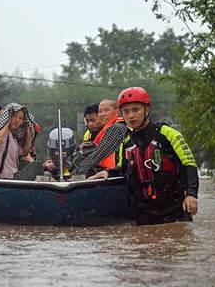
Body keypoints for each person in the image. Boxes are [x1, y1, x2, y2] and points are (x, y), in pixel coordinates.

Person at [96, 87, 199, 225]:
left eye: (136, 110)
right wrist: (107, 173)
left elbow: (189, 164)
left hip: (175, 213)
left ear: (147, 110)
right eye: (126, 111)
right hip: (142, 215)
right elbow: (123, 170)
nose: (131, 116)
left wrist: (191, 194)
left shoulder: (168, 134)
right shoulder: (124, 142)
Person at [0, 102, 44, 180]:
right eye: (14, 116)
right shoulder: (4, 133)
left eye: (20, 118)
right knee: (37, 167)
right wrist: (6, 123)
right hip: (4, 178)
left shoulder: (14, 138)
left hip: (14, 176)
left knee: (35, 165)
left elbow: (25, 153)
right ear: (8, 117)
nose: (17, 120)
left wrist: (28, 130)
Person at [71, 99, 128, 176]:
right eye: (100, 111)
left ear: (117, 112)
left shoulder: (116, 128)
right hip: (110, 175)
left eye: (106, 110)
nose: (102, 114)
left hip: (114, 178)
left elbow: (99, 154)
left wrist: (76, 173)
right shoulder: (109, 129)